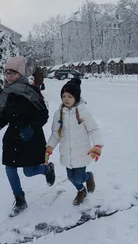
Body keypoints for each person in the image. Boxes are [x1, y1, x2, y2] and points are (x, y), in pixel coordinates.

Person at [0, 56, 55, 217]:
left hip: (30, 137)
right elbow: (4, 115)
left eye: (13, 73)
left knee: (29, 172)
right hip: (13, 137)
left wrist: (32, 128)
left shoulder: (32, 92)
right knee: (10, 169)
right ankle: (20, 199)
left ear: (21, 74)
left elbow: (43, 114)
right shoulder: (6, 93)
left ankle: (46, 169)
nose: (9, 76)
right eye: (7, 73)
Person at [46, 78, 103, 206]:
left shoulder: (83, 112)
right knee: (71, 178)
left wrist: (97, 145)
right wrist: (50, 147)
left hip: (81, 151)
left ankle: (88, 177)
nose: (66, 99)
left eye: (69, 96)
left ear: (76, 98)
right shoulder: (58, 114)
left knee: (78, 177)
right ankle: (81, 190)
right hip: (66, 152)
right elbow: (56, 134)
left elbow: (93, 129)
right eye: (64, 96)